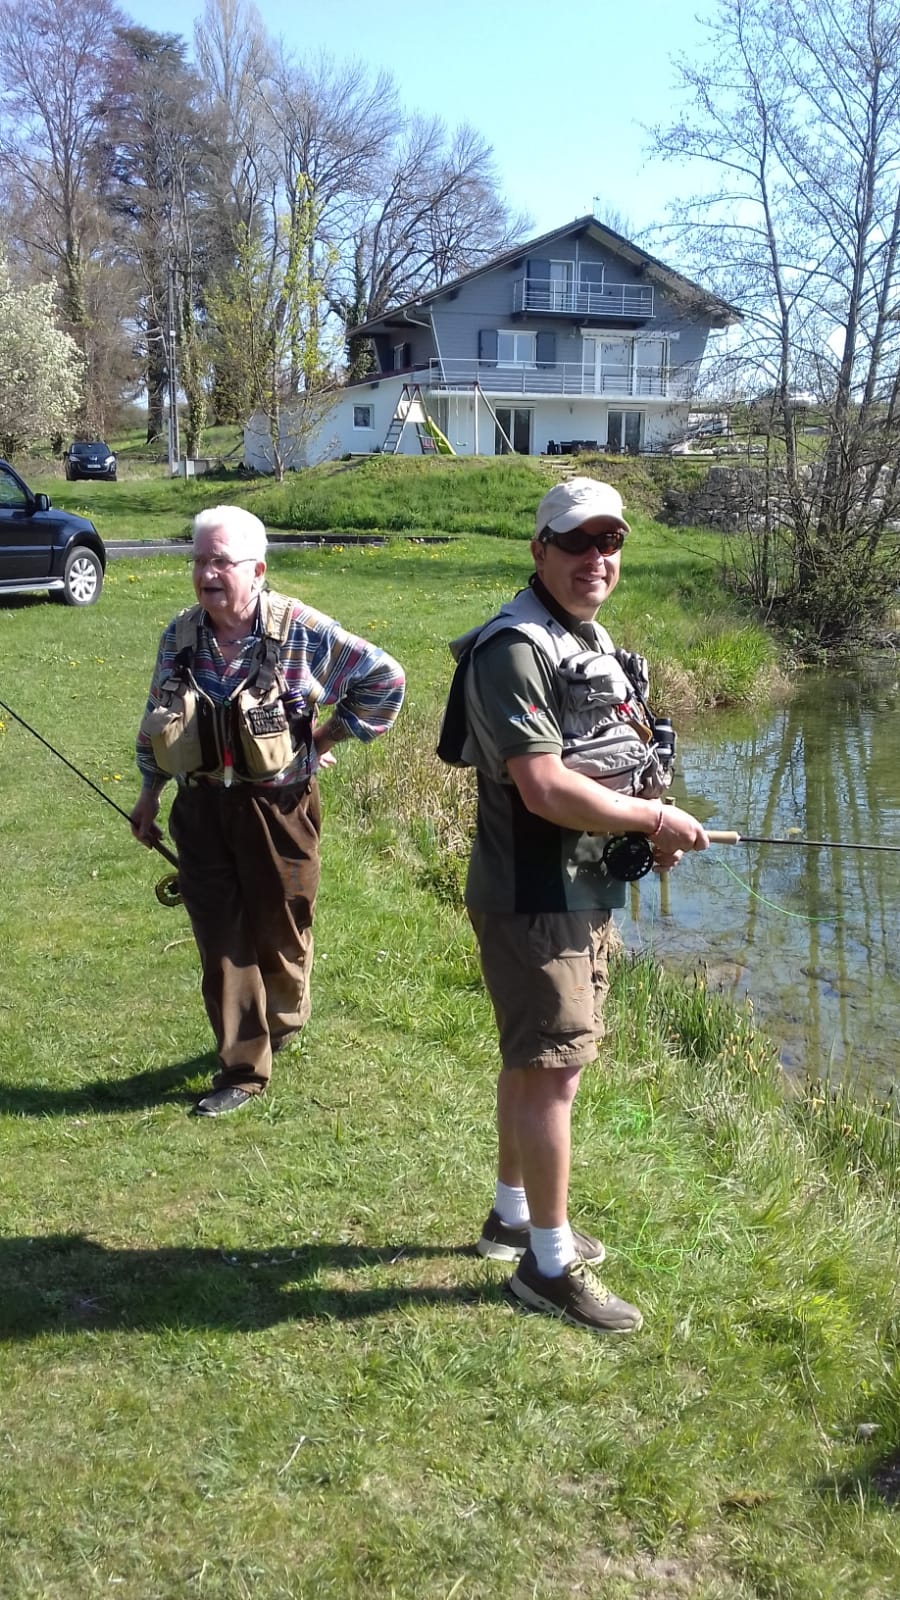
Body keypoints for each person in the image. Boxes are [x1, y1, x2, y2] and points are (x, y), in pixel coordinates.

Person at [441, 477, 709, 1334]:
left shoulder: (579, 634)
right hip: (534, 899)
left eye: (610, 544)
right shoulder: (514, 648)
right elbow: (546, 787)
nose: (597, 559)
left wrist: (645, 821)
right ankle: (547, 1268)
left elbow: (608, 762)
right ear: (539, 551)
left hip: (576, 892)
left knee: (538, 1063)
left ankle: (512, 1216)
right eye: (578, 543)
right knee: (554, 1073)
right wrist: (658, 818)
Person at [130, 505, 405, 1117]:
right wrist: (149, 795)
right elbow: (155, 722)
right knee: (221, 938)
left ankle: (284, 1014)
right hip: (199, 808)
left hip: (280, 806)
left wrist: (326, 739)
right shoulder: (177, 637)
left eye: (220, 561)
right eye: (198, 559)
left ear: (256, 571)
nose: (206, 573)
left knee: (282, 928)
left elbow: (386, 678)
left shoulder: (300, 629)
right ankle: (243, 1069)